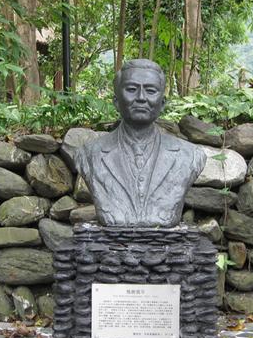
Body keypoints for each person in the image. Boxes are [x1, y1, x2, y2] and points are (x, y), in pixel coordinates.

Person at [75, 59, 207, 227]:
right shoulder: (89, 154)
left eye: (151, 91)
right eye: (131, 89)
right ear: (116, 101)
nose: (141, 98)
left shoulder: (190, 156)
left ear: (163, 103)